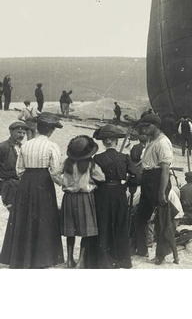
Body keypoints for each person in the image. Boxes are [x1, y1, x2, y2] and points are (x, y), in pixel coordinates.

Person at [0, 112, 64, 269]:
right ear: (50, 131)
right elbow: (55, 171)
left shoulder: (26, 145)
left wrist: (29, 177)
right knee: (44, 217)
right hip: (43, 182)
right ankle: (42, 258)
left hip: (26, 183)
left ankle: (20, 256)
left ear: (38, 127)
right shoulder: (52, 146)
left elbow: (19, 170)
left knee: (23, 217)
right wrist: (64, 184)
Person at [90, 124, 138, 269]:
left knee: (103, 223)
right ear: (115, 141)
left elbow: (92, 177)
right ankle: (121, 258)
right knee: (120, 223)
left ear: (105, 142)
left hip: (102, 192)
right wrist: (128, 184)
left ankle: (103, 259)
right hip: (119, 192)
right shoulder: (124, 157)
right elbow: (137, 175)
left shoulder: (97, 158)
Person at [133, 113, 177, 265]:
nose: (144, 129)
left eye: (147, 126)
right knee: (140, 217)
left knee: (161, 221)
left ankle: (160, 256)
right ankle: (142, 249)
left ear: (156, 126)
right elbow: (147, 161)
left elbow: (165, 169)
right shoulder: (151, 140)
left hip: (158, 181)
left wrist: (161, 193)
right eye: (142, 126)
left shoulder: (163, 142)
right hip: (148, 180)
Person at [61, 135, 104, 269]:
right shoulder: (91, 164)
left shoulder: (67, 162)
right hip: (84, 197)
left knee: (70, 229)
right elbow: (102, 177)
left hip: (68, 198)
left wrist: (64, 184)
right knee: (86, 229)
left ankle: (69, 259)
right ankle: (81, 261)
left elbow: (54, 173)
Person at [0, 121, 28, 210]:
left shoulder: (22, 147)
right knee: (13, 213)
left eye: (24, 133)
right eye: (19, 132)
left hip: (21, 184)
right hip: (9, 185)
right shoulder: (3, 147)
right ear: (11, 132)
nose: (22, 135)